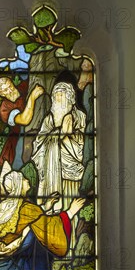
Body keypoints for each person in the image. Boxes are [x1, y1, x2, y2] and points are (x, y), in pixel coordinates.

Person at [31, 81, 86, 212]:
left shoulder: (80, 116)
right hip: (50, 173)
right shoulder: (48, 119)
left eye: (60, 95)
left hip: (70, 175)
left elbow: (81, 145)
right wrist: (60, 134)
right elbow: (38, 143)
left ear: (70, 98)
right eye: (55, 95)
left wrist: (65, 136)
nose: (57, 98)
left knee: (70, 209)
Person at [0, 76, 44, 168]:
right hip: (19, 138)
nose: (10, 91)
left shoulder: (23, 87)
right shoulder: (4, 108)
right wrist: (32, 97)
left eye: (10, 86)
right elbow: (24, 120)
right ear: (1, 94)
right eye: (5, 90)